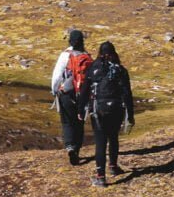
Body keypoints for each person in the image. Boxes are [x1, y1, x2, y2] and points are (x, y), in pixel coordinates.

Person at [78, 41, 135, 187]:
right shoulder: (121, 70)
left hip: (98, 110)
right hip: (116, 109)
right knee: (113, 137)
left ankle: (100, 176)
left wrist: (81, 110)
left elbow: (84, 90)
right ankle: (113, 166)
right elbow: (127, 94)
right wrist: (130, 115)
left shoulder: (93, 68)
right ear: (114, 53)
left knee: (100, 141)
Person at [50, 29, 92, 165]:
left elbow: (57, 75)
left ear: (70, 41)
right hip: (82, 94)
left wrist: (54, 90)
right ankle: (77, 149)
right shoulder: (87, 56)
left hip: (66, 93)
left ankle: (70, 147)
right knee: (79, 122)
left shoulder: (65, 55)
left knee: (67, 121)